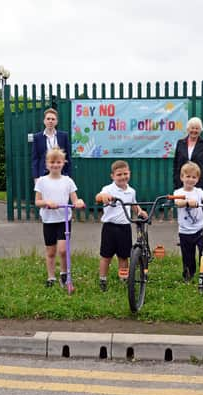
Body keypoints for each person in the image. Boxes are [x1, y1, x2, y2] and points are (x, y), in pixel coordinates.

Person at [34, 147, 85, 288]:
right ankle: (51, 277)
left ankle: (64, 274)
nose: (55, 165)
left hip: (64, 220)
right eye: (52, 162)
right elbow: (37, 202)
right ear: (47, 164)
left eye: (58, 162)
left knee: (63, 250)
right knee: (51, 251)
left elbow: (75, 199)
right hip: (49, 220)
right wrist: (46, 203)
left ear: (63, 163)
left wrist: (78, 202)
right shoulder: (42, 181)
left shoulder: (67, 181)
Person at [95, 160, 148, 292]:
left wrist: (140, 211)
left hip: (124, 227)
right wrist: (103, 196)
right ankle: (103, 279)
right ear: (112, 176)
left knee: (124, 256)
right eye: (119, 174)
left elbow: (133, 204)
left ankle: (123, 279)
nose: (123, 177)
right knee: (106, 255)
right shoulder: (108, 189)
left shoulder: (131, 191)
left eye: (125, 173)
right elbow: (98, 197)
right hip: (110, 227)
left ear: (129, 173)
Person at [173, 162, 203, 286]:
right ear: (182, 177)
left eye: (194, 177)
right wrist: (187, 202)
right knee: (187, 255)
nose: (190, 179)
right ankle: (188, 275)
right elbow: (178, 203)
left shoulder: (199, 191)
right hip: (185, 231)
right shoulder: (178, 192)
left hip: (200, 229)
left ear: (198, 179)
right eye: (188, 176)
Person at [172, 117, 203, 193]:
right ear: (188, 129)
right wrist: (177, 179)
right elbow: (176, 163)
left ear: (200, 130)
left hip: (200, 185)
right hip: (182, 184)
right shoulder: (180, 143)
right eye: (192, 128)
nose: (194, 131)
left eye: (197, 128)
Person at [31, 108, 72, 182]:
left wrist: (68, 175)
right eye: (48, 119)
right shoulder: (37, 137)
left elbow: (68, 157)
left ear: (56, 122)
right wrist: (35, 177)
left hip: (61, 174)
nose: (50, 121)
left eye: (53, 119)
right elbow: (35, 159)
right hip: (43, 174)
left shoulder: (63, 136)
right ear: (44, 121)